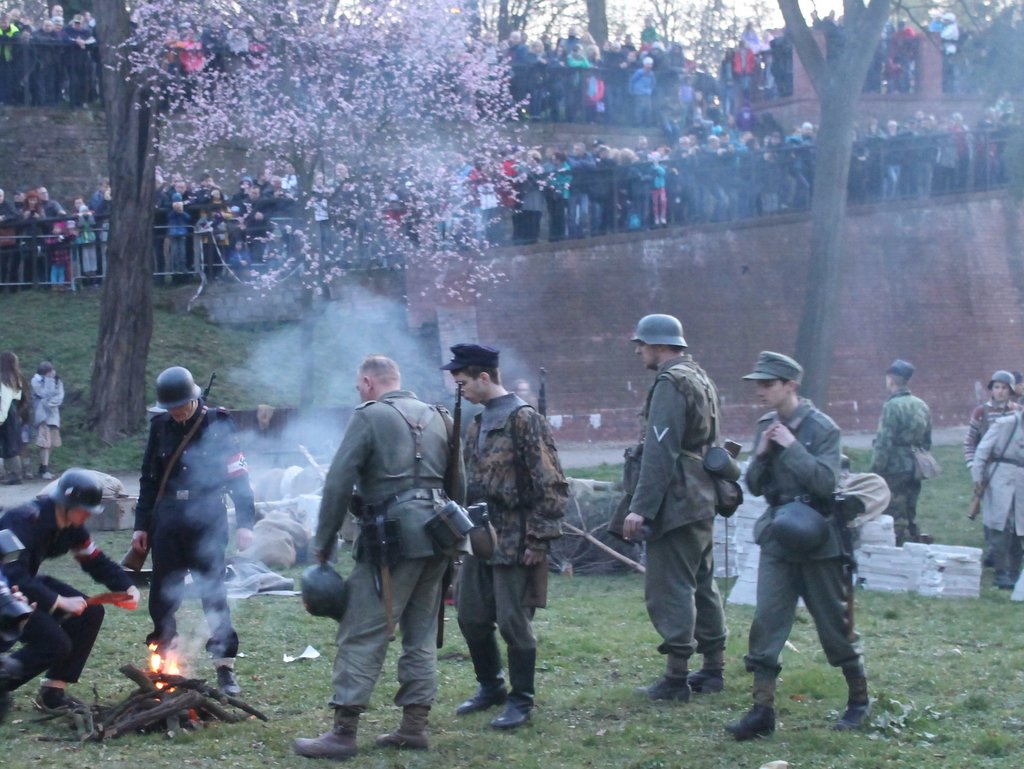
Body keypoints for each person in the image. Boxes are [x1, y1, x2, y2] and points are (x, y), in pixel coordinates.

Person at [294, 355, 464, 759]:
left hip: (392, 543)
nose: (358, 391)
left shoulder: (369, 415)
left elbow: (338, 481)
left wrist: (323, 540)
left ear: (368, 382)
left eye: (358, 385)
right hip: (441, 535)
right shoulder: (440, 415)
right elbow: (460, 482)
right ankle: (413, 726)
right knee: (421, 634)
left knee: (361, 630)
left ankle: (343, 732)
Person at [727, 351, 867, 741]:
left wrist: (791, 445)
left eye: (767, 384)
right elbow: (754, 485)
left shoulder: (823, 429)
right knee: (767, 621)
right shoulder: (765, 426)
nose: (760, 391)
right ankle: (762, 710)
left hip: (818, 537)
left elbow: (825, 482)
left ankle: (858, 700)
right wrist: (761, 455)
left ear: (791, 386)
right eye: (758, 384)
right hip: (777, 536)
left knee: (833, 623)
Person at [444, 343, 568, 730]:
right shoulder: (479, 422)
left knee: (513, 623)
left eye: (463, 381)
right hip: (479, 535)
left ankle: (521, 700)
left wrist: (540, 539)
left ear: (484, 377)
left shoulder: (523, 419)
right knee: (470, 616)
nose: (459, 389)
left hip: (516, 538)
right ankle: (491, 686)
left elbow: (550, 481)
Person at [620, 314, 728, 702]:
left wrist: (641, 509)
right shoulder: (699, 376)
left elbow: (660, 451)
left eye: (642, 344)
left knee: (671, 588)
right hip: (702, 493)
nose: (638, 350)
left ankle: (676, 677)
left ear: (659, 345)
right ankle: (713, 669)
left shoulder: (670, 382)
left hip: (679, 498)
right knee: (702, 583)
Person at [129, 366, 254, 696]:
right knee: (162, 599)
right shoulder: (159, 427)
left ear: (195, 398)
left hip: (207, 520)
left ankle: (224, 667)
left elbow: (239, 476)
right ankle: (165, 663)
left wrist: (245, 523)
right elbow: (149, 479)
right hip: (167, 521)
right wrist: (141, 526)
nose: (177, 412)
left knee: (213, 596)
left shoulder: (219, 423)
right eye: (171, 408)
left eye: (181, 405)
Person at [0, 469, 140, 712]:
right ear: (66, 504)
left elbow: (94, 560)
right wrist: (58, 601)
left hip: (21, 585)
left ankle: (53, 692)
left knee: (90, 613)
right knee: (55, 643)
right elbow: (14, 575)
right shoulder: (23, 521)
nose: (88, 516)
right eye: (84, 510)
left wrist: (125, 586)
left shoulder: (71, 526)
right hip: (6, 589)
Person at [870, 359, 932, 546]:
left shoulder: (892, 406)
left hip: (894, 467)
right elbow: (927, 441)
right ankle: (915, 542)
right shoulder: (921, 405)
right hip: (915, 465)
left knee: (894, 511)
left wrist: (875, 471)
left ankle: (897, 546)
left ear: (890, 380)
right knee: (911, 508)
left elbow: (883, 442)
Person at [964, 370, 1020, 569]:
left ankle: (1006, 555)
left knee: (1011, 512)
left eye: (1005, 388)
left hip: (1010, 468)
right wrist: (973, 466)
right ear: (991, 390)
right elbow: (970, 442)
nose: (1000, 392)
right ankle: (993, 550)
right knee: (991, 511)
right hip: (987, 467)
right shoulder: (981, 412)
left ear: (1011, 390)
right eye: (997, 387)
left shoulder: (1017, 412)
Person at [972, 403, 1024, 589]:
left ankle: (1015, 572)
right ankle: (1001, 571)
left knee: (1020, 527)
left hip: (1021, 477)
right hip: (1000, 475)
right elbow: (982, 451)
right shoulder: (1005, 423)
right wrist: (978, 479)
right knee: (1000, 524)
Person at [30, 361, 64, 480]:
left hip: (53, 415)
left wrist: (51, 403)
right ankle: (43, 469)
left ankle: (44, 465)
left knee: (52, 443)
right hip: (42, 416)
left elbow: (60, 396)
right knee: (44, 443)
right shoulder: (36, 381)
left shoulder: (57, 380)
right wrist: (49, 381)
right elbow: (44, 394)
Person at [0, 351, 25, 485]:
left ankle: (14, 474)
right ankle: (14, 473)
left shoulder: (5, 379)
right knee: (11, 443)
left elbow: (5, 399)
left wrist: (1, 417)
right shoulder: (15, 377)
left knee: (9, 443)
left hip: (6, 412)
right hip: (13, 411)